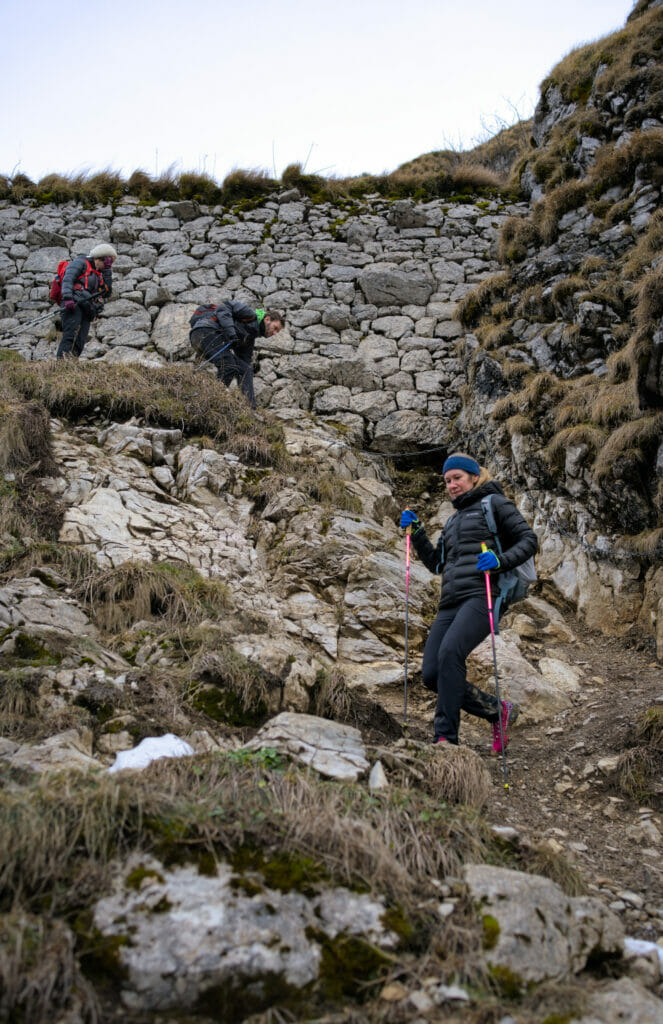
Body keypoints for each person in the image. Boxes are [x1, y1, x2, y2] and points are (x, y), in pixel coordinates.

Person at [400, 452, 538, 752]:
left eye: (457, 478)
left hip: (484, 595)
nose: (451, 485)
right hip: (450, 601)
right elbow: (438, 565)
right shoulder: (451, 522)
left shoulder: (495, 504)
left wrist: (499, 561)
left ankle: (445, 739)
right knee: (432, 674)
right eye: (447, 481)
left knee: (451, 653)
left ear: (474, 477)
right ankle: (496, 711)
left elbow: (529, 540)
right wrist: (418, 533)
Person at [189, 302, 285, 408]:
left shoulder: (249, 338)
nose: (275, 333)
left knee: (245, 369)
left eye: (277, 331)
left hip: (208, 338)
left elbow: (244, 368)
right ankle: (211, 401)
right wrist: (231, 333)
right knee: (228, 366)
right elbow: (224, 307)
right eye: (275, 328)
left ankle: (249, 408)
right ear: (267, 319)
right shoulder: (249, 315)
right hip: (206, 331)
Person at [56, 243, 117, 359]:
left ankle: (71, 364)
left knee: (80, 339)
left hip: (87, 308)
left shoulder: (99, 273)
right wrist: (68, 298)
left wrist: (108, 271)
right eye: (107, 262)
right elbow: (68, 279)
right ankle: (61, 365)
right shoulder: (80, 263)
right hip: (73, 303)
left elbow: (106, 292)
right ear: (100, 258)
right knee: (70, 335)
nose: (107, 265)